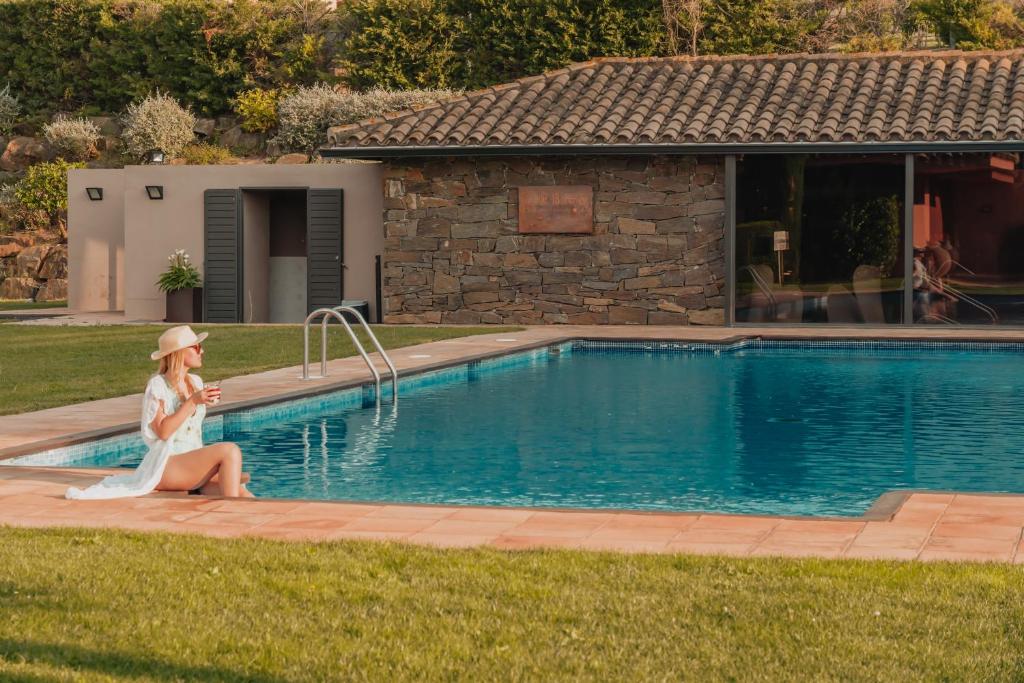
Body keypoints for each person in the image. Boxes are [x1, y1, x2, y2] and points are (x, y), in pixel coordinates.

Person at [66, 325, 253, 500]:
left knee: (242, 493)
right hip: (167, 466)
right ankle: (230, 510)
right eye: (197, 347)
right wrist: (193, 401)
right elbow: (163, 432)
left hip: (193, 464)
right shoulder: (157, 385)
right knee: (230, 451)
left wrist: (205, 399)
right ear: (179, 352)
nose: (202, 351)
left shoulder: (195, 381)